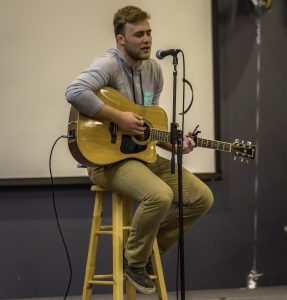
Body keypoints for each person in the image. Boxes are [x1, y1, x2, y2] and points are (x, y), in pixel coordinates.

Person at [65, 5, 214, 295]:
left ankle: (146, 251)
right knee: (159, 195)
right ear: (121, 39)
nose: (146, 40)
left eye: (148, 33)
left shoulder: (155, 71)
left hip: (140, 156)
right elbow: (74, 91)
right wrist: (119, 117)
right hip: (105, 162)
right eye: (138, 35)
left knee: (201, 197)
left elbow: (149, 129)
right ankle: (133, 262)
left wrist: (177, 146)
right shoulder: (107, 64)